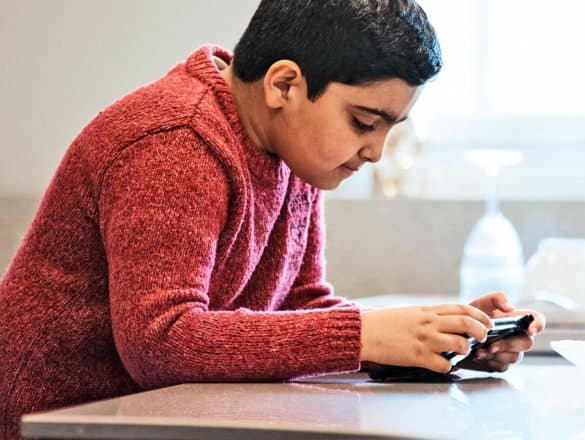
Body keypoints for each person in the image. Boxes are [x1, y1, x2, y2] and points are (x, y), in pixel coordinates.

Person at [0, 1, 544, 438]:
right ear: (284, 85)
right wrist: (365, 335)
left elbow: (301, 307)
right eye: (363, 122)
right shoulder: (174, 143)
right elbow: (161, 343)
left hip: (143, 419)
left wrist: (430, 345)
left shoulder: (295, 154)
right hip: (48, 424)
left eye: (390, 129)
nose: (376, 152)